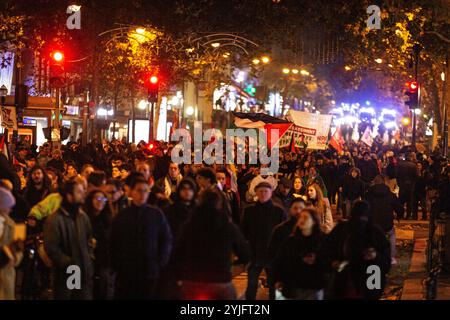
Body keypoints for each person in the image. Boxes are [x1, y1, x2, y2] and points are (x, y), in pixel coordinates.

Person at [173, 189, 250, 300]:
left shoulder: (189, 225)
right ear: (219, 203)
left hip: (192, 280)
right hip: (220, 281)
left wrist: (179, 275)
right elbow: (244, 252)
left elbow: (178, 251)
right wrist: (240, 259)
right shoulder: (227, 225)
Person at [110, 177, 172, 299]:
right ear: (132, 192)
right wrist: (117, 264)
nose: (142, 194)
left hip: (150, 271)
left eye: (145, 190)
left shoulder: (156, 214)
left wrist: (160, 261)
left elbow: (166, 239)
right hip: (127, 273)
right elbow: (113, 242)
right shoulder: (122, 216)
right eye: (139, 190)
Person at [325, 200, 391, 300]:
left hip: (371, 274)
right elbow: (327, 250)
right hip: (348, 276)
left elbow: (386, 260)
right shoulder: (343, 230)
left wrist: (375, 256)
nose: (360, 220)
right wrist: (333, 263)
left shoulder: (375, 233)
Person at [43, 179, 94, 300]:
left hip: (84, 270)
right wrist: (70, 263)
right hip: (69, 271)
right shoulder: (55, 220)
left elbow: (89, 239)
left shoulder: (82, 216)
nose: (83, 195)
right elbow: (51, 247)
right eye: (79, 192)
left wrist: (88, 257)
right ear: (69, 196)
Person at [242, 182, 286, 300]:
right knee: (251, 284)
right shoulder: (249, 211)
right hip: (255, 253)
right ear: (256, 193)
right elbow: (243, 232)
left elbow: (284, 234)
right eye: (260, 191)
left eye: (265, 191)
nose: (263, 194)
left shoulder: (279, 212)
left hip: (273, 254)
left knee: (273, 285)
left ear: (271, 193)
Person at [272, 208, 327, 300]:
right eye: (300, 217)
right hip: (295, 286)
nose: (301, 220)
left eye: (305, 217)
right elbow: (280, 260)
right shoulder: (291, 241)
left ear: (314, 222)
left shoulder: (323, 240)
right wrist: (278, 279)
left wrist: (317, 260)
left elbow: (329, 260)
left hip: (315, 286)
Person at [365, 175, 403, 265]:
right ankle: (392, 257)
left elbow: (364, 208)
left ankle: (371, 254)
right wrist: (399, 216)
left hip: (373, 223)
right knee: (391, 234)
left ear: (374, 182)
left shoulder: (368, 195)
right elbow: (399, 208)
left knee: (370, 236)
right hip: (387, 223)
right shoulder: (391, 195)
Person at [84, 189, 114, 299]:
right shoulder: (83, 219)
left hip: (103, 264)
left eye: (103, 199)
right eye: (97, 198)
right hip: (83, 264)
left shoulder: (109, 221)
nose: (100, 201)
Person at [0, 187, 24, 300]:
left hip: (6, 275)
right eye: (8, 206)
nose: (10, 209)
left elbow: (20, 250)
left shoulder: (15, 225)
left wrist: (14, 258)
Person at [267, 198, 306, 263]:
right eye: (295, 208)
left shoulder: (310, 228)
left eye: (301, 208)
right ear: (290, 209)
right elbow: (272, 252)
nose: (298, 211)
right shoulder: (280, 229)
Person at [396, 154, 418, 220]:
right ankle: (408, 215)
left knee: (401, 202)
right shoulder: (414, 166)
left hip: (402, 185)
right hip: (410, 186)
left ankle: (401, 215)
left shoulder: (400, 165)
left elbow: (397, 175)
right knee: (409, 202)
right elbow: (416, 176)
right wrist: (413, 184)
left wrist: (399, 184)